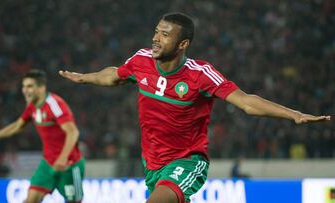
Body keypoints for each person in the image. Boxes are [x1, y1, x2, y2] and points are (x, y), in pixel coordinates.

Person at [59, 12, 331, 203]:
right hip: (153, 164)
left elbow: (246, 102)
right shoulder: (141, 60)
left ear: (183, 44)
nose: (156, 38)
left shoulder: (200, 74)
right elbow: (113, 75)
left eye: (164, 35)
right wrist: (86, 77)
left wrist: (294, 114)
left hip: (188, 162)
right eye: (156, 31)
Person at [0, 69, 84, 203]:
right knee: (30, 200)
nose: (25, 90)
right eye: (24, 86)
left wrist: (63, 158)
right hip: (47, 164)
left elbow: (73, 132)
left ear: (41, 88)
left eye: (29, 86)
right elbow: (17, 126)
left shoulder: (54, 104)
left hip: (70, 165)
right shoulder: (33, 106)